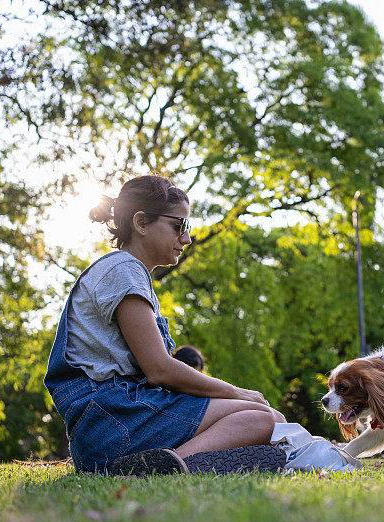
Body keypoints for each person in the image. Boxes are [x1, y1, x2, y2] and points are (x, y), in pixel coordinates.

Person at [44, 175, 286, 475]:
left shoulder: (128, 272)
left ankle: (190, 461)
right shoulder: (123, 269)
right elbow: (160, 369)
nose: (187, 239)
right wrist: (236, 392)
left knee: (271, 417)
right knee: (262, 418)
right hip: (112, 422)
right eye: (178, 226)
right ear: (141, 223)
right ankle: (169, 464)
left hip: (118, 421)